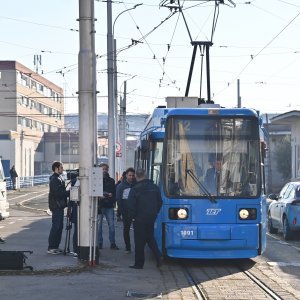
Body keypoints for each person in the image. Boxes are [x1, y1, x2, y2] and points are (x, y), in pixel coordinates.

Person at [127, 168, 163, 269]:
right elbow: (160, 202)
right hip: (151, 217)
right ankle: (159, 256)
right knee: (149, 237)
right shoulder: (154, 187)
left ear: (136, 176)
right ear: (146, 175)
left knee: (139, 241)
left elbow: (131, 205)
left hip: (139, 218)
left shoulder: (135, 189)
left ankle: (139, 263)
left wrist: (132, 217)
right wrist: (155, 212)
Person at [47, 161, 69, 254]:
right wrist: (69, 192)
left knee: (59, 227)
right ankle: (51, 247)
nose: (62, 169)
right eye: (61, 167)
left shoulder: (58, 178)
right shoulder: (55, 180)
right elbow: (57, 194)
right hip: (56, 206)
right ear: (56, 168)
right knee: (56, 226)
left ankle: (55, 246)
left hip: (59, 205)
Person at [98, 163, 119, 250]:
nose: (104, 171)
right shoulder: (97, 180)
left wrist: (112, 197)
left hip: (109, 205)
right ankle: (99, 243)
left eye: (105, 169)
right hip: (100, 205)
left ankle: (113, 243)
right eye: (103, 169)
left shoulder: (111, 181)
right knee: (99, 226)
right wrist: (100, 195)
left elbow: (115, 193)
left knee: (112, 226)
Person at [116, 168, 136, 253]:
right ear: (126, 175)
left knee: (137, 230)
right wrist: (120, 211)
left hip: (136, 210)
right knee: (126, 229)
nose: (131, 177)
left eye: (132, 175)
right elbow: (119, 199)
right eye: (129, 175)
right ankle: (128, 247)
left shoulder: (136, 185)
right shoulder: (121, 186)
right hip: (126, 211)